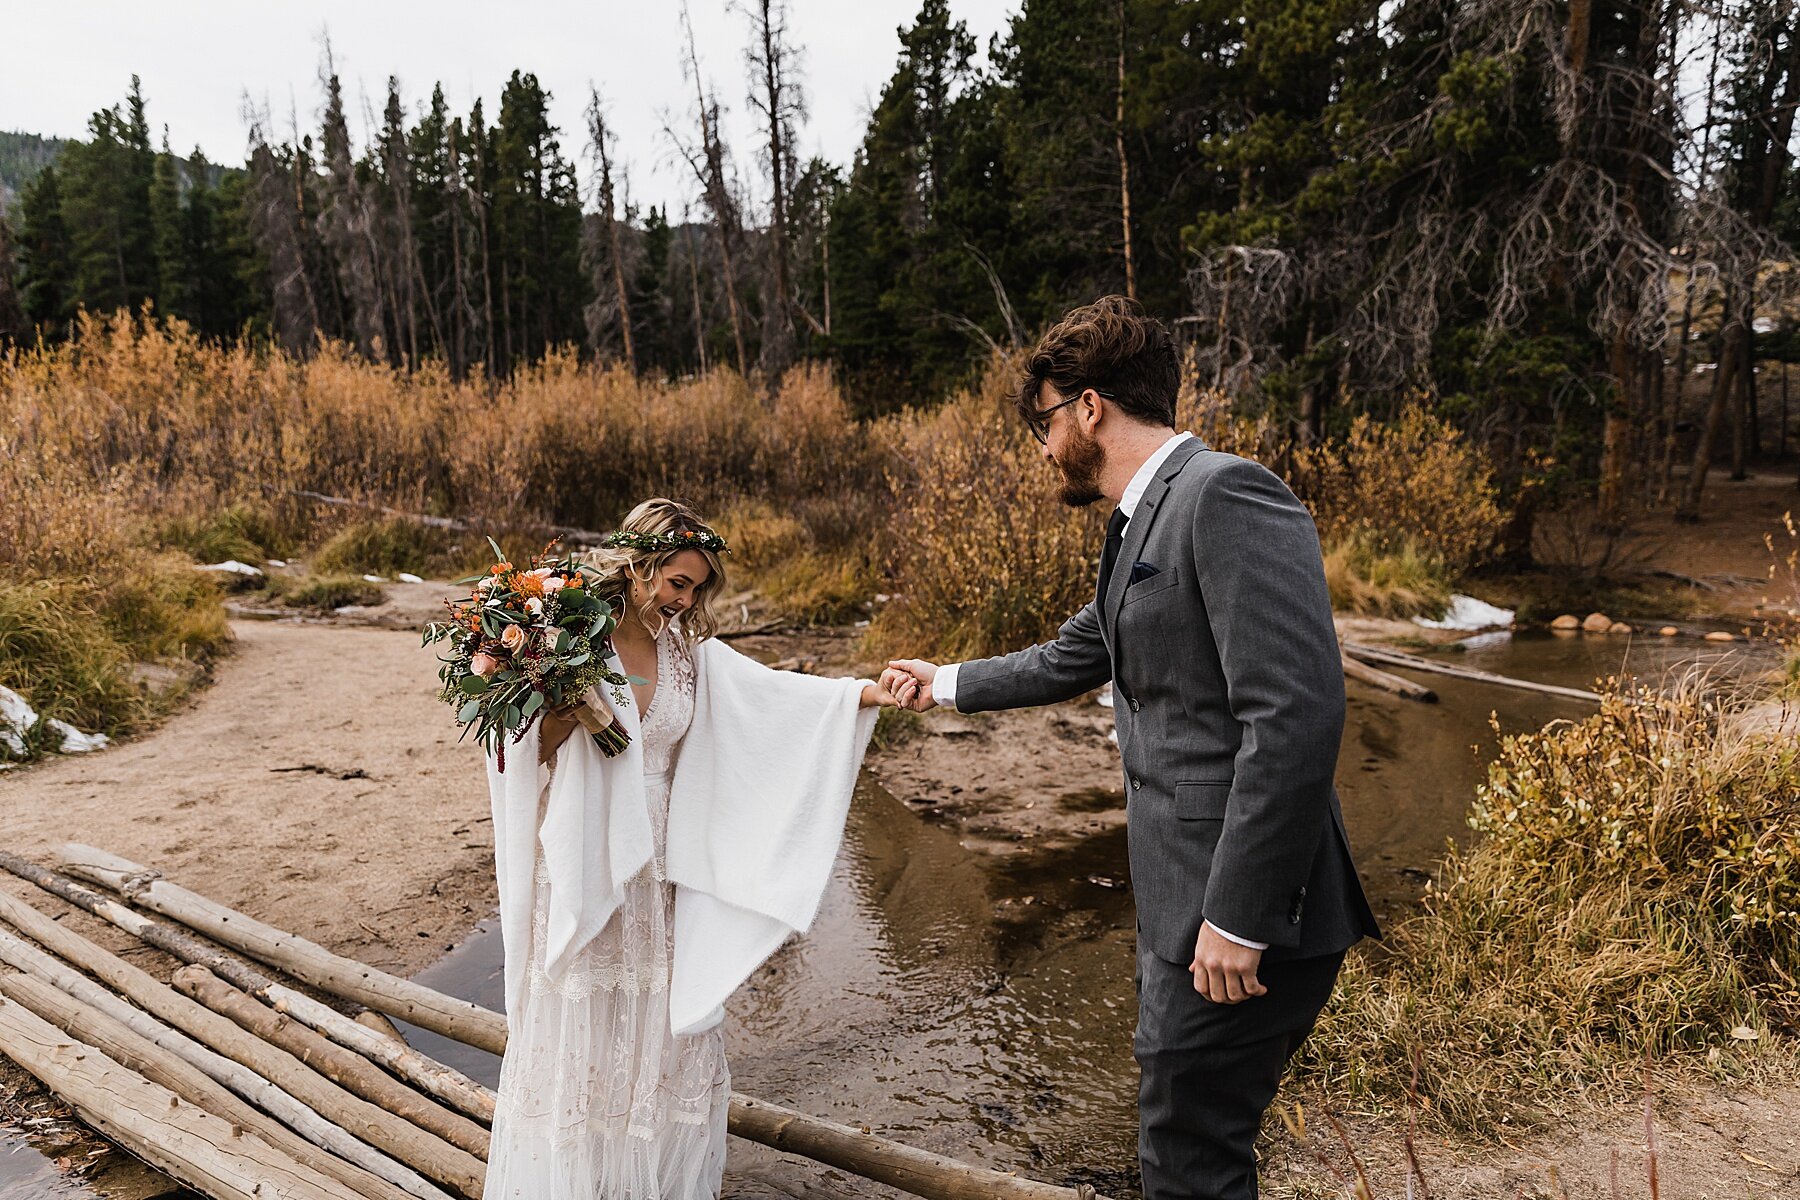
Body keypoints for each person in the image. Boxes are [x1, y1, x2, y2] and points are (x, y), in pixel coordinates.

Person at [882, 297, 1380, 1200]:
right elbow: (1081, 650)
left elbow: (1296, 715)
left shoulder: (1224, 493)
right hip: (1177, 899)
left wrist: (1238, 915)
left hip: (1239, 912)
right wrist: (945, 681)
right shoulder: (1140, 520)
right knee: (1179, 1136)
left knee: (1190, 1155)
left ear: (1089, 407)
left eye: (1043, 422)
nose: (1040, 448)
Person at [483, 497, 903, 1199]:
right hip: (590, 851)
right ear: (639, 563)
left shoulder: (686, 651)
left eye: (697, 587)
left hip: (666, 868)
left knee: (663, 1030)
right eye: (677, 581)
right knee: (589, 1030)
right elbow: (527, 751)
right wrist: (563, 696)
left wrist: (865, 695)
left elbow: (772, 699)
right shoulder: (571, 634)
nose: (686, 599)